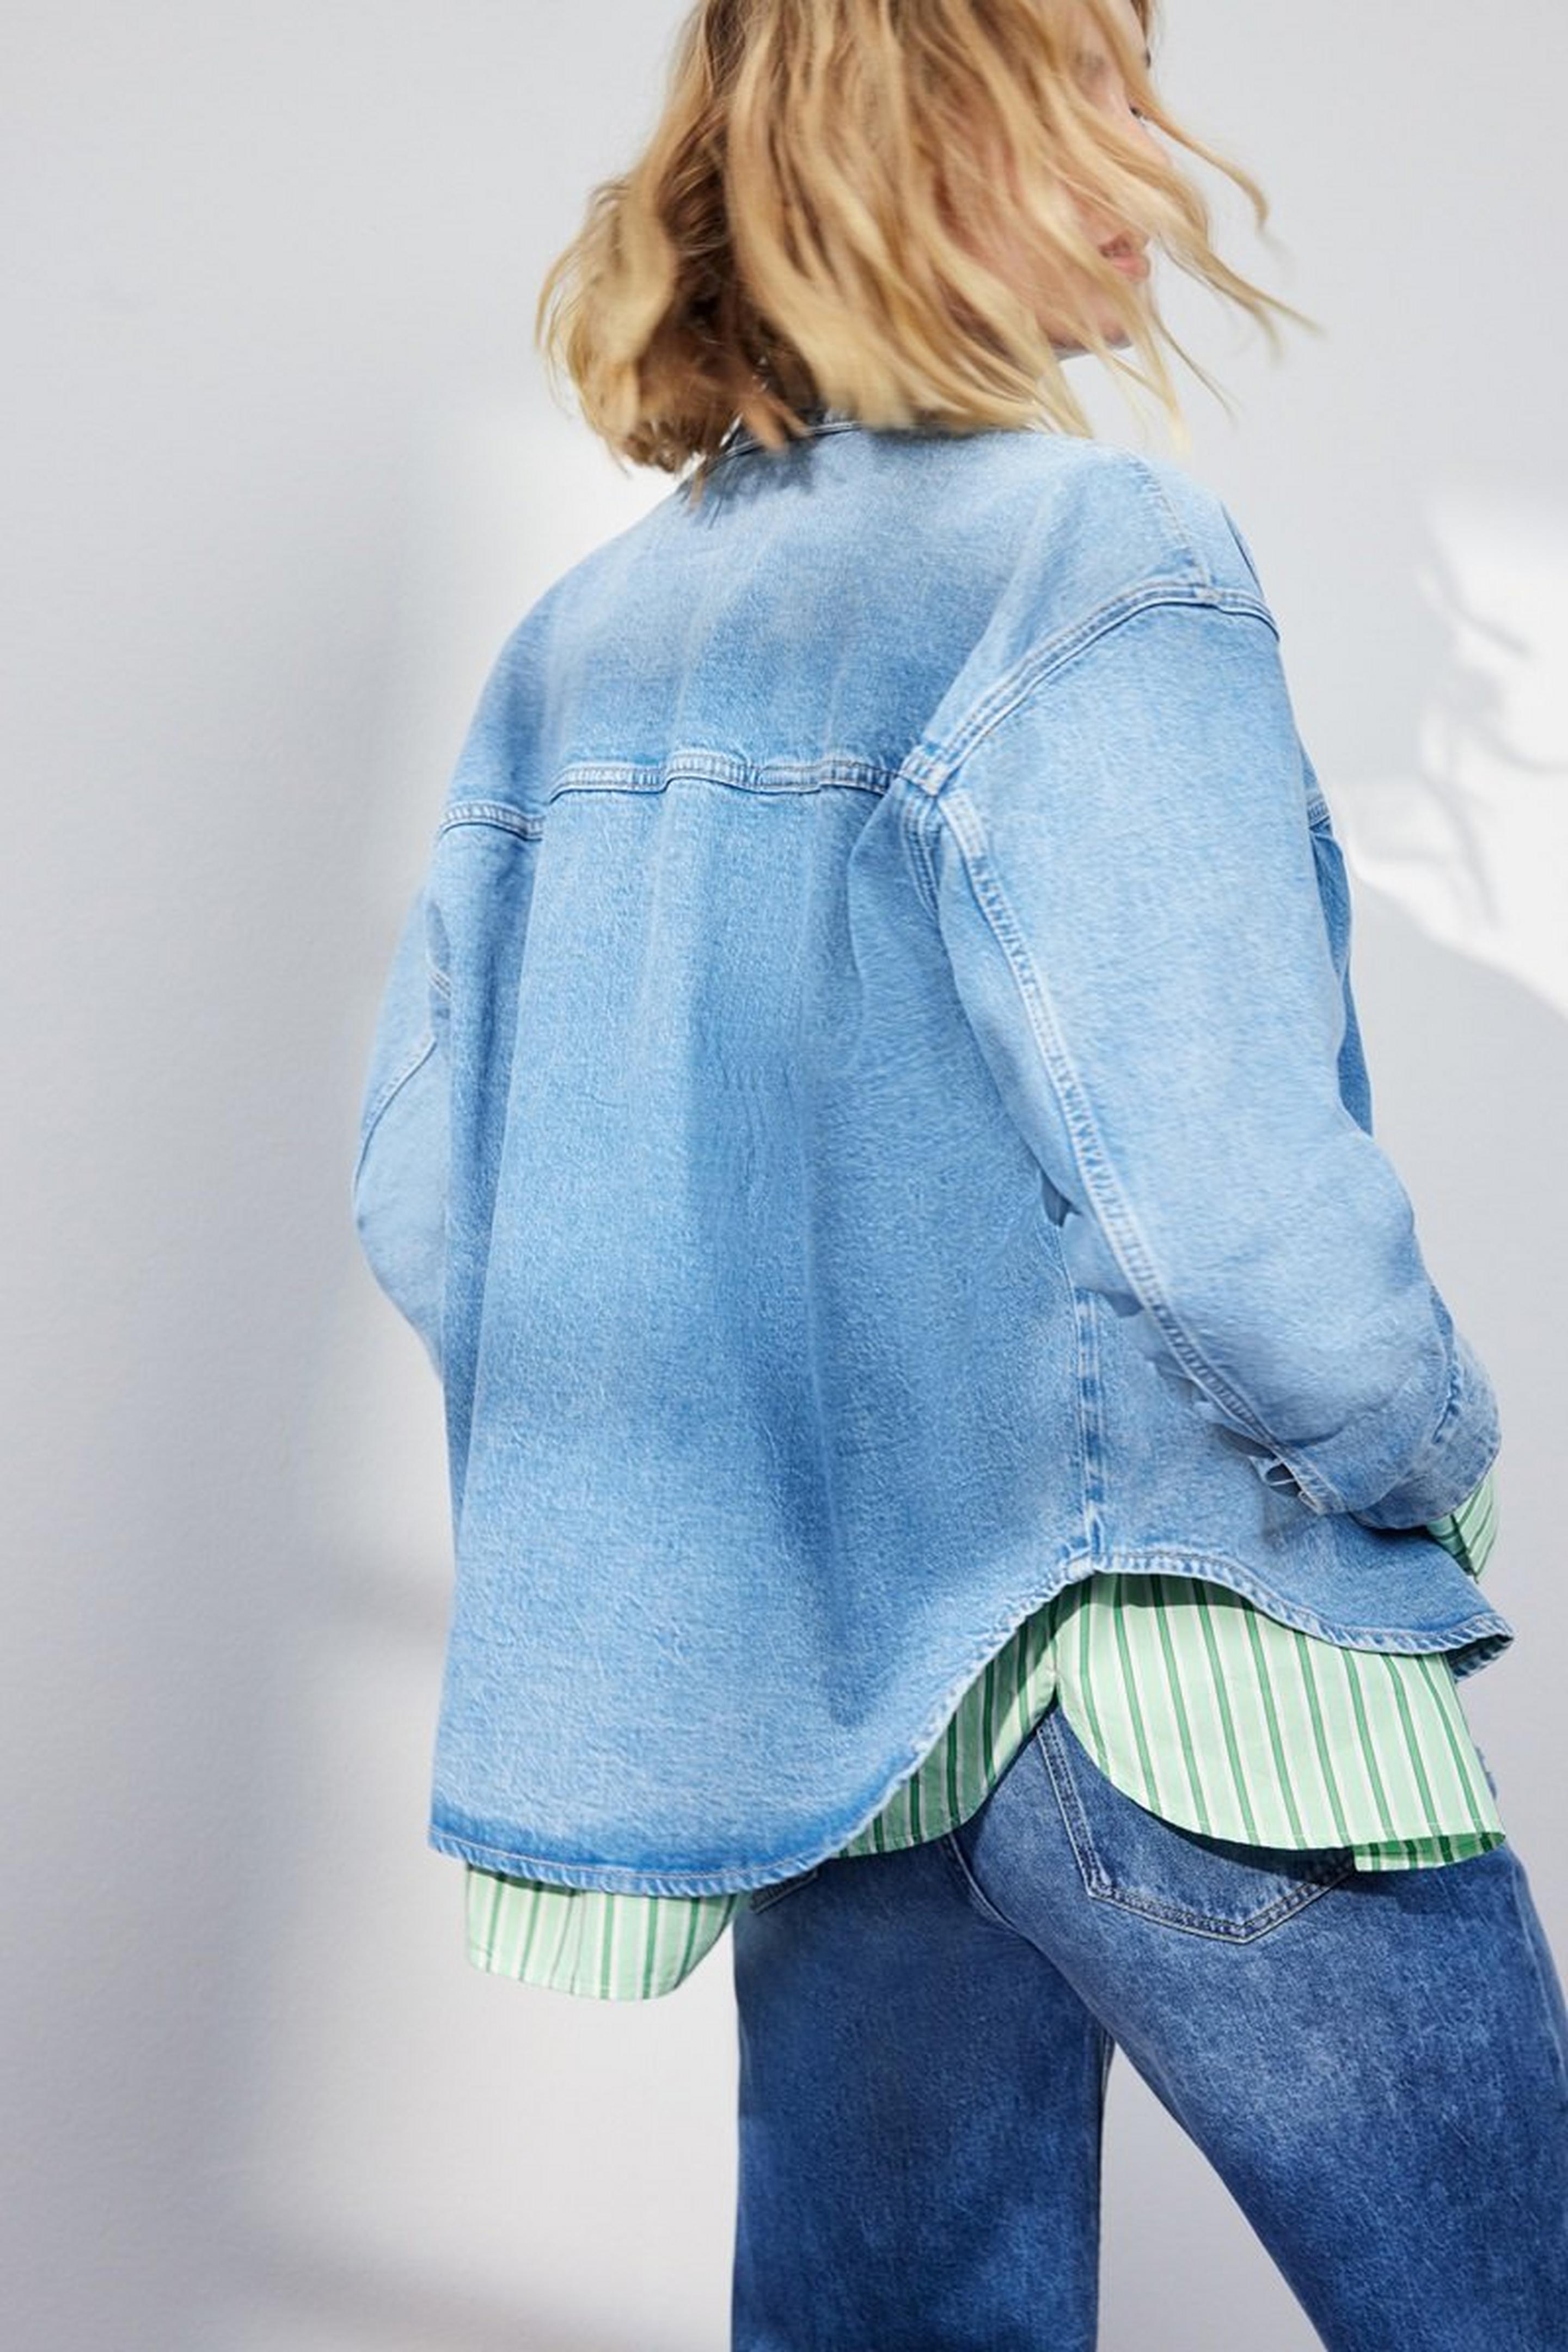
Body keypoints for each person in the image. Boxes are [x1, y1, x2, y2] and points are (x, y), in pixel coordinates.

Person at [350, 0, 1568, 2340]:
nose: (1157, 147)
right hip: (1177, 1669)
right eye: (1090, 84)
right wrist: (1433, 1456)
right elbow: (1234, 1209)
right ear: (924, 139)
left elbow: (431, 1197)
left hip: (829, 1732)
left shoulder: (580, 653)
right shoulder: (1093, 555)